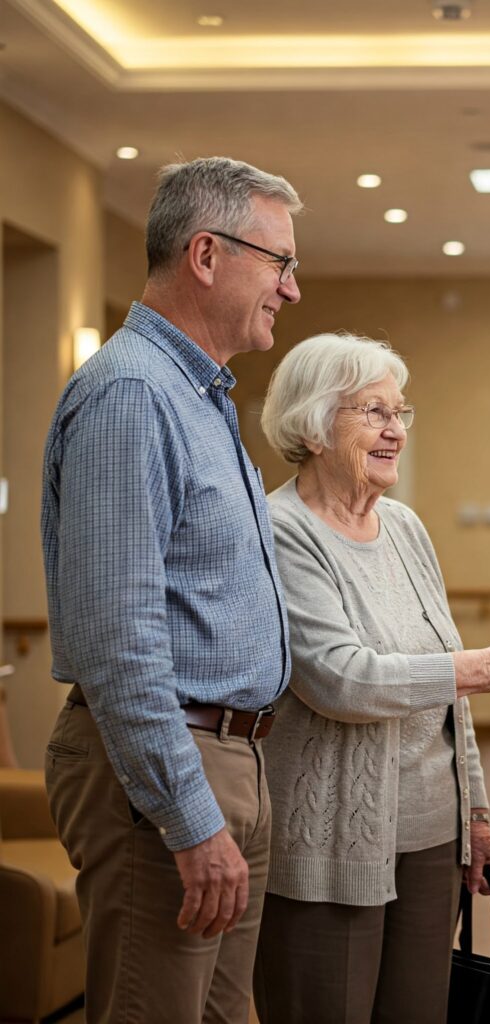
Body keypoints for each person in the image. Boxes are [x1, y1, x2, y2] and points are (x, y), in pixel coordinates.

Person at [41, 156, 303, 1024]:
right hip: (167, 769)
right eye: (279, 263)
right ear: (206, 255)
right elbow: (119, 639)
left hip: (229, 757)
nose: (292, 289)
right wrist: (189, 817)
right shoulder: (132, 394)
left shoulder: (199, 396)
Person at [251, 332, 490, 1024]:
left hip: (431, 839)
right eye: (374, 412)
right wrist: (487, 666)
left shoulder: (403, 527)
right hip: (329, 845)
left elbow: (446, 692)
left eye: (400, 412)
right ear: (313, 424)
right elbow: (341, 680)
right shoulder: (279, 530)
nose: (396, 430)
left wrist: (474, 816)